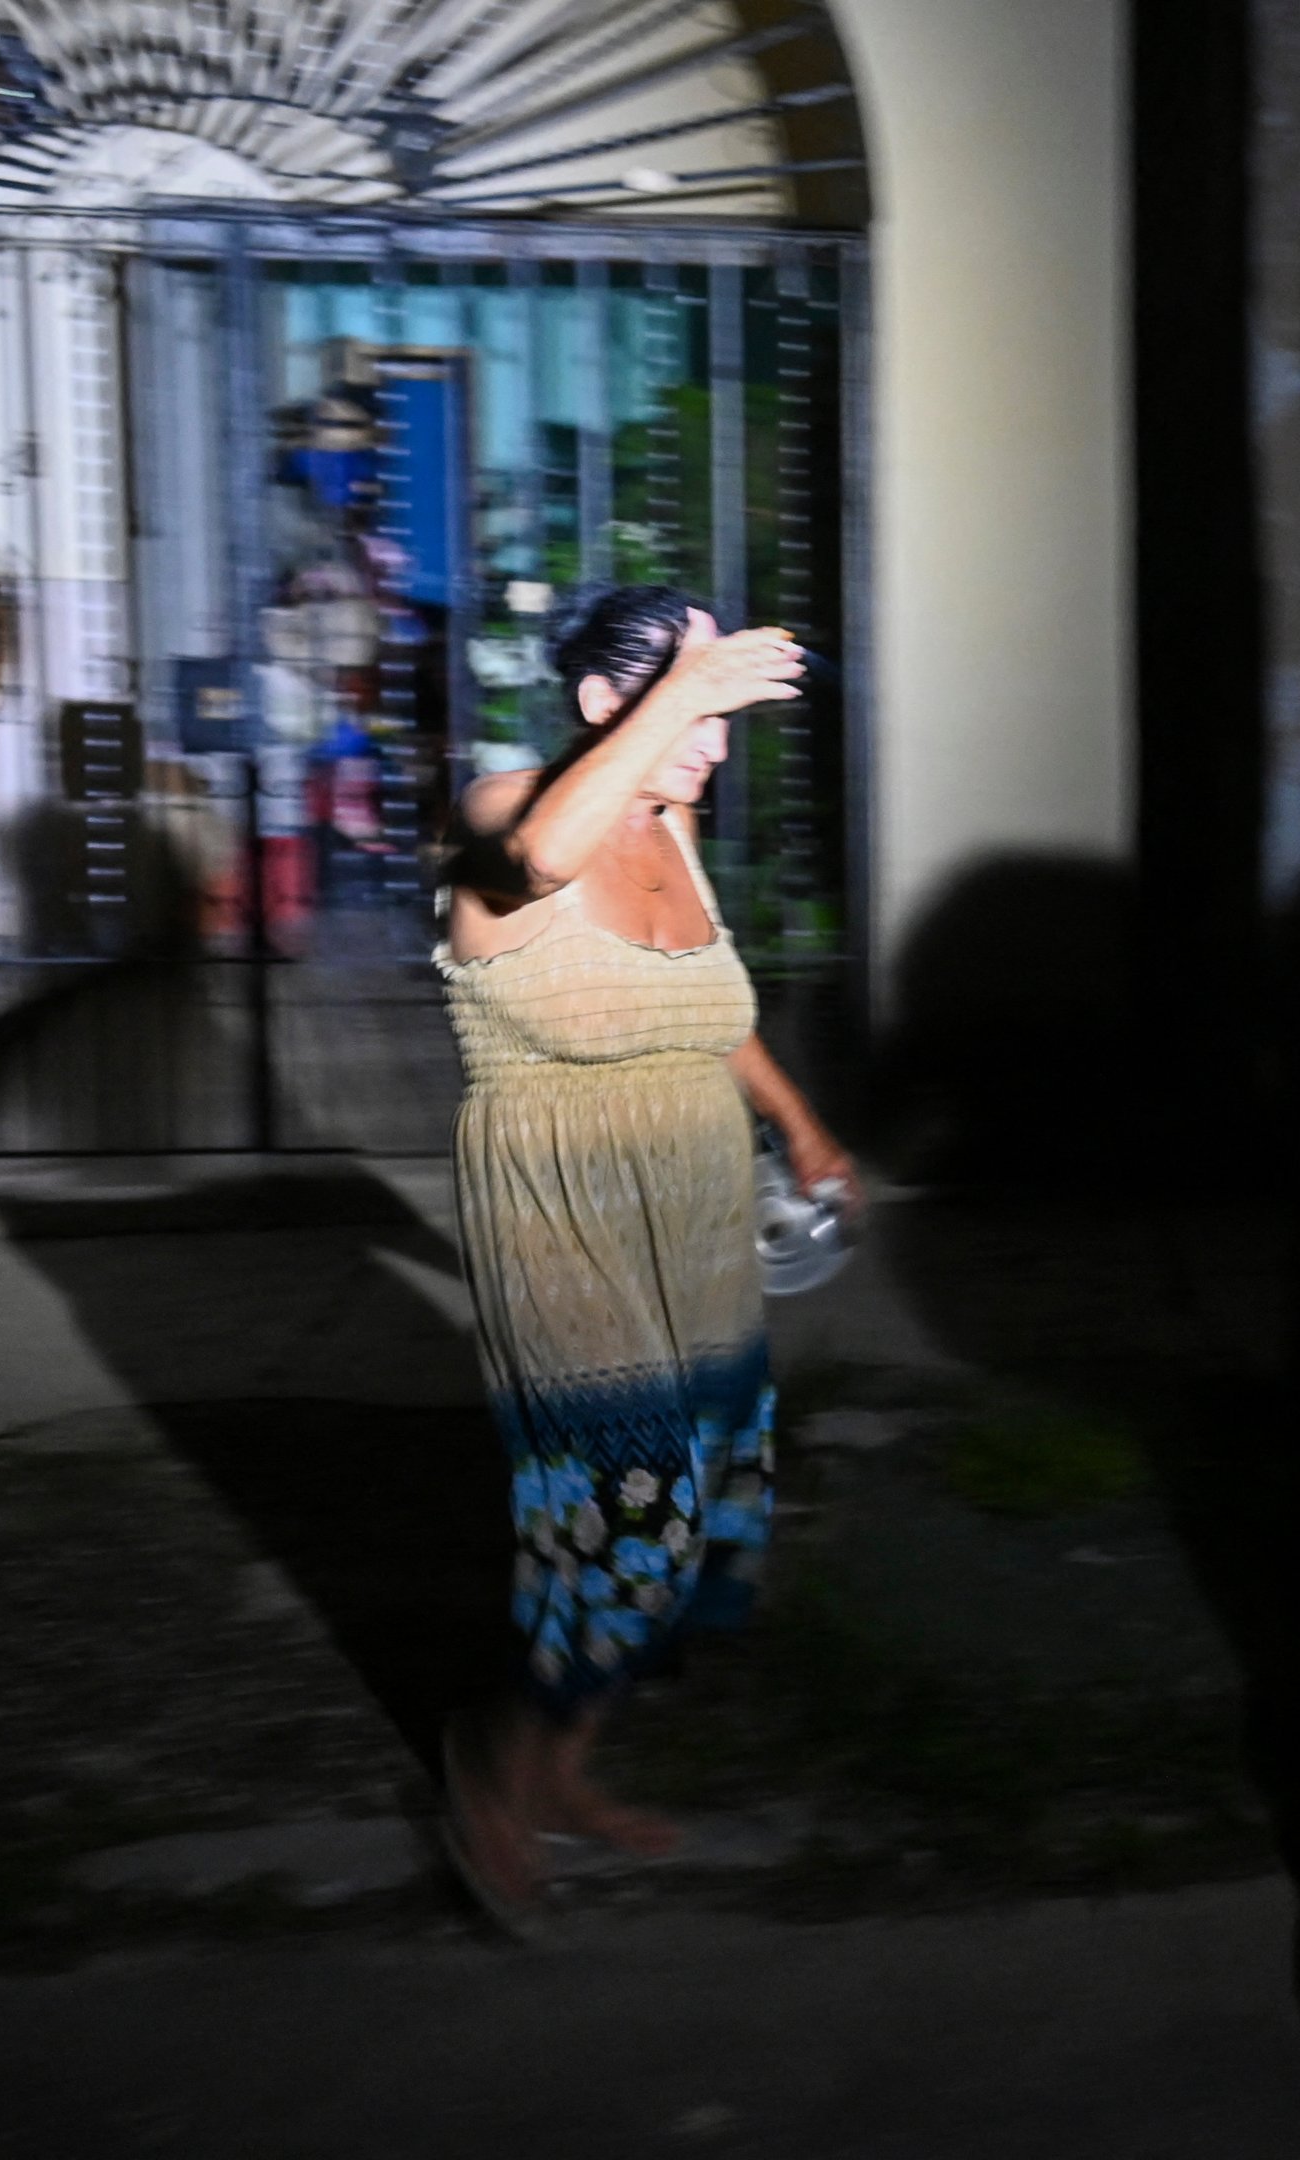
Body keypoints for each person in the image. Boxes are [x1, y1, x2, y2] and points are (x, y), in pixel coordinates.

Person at [432, 584, 857, 1924]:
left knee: (690, 1511)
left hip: (695, 1211)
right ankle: (491, 1772)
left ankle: (564, 1769)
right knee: (628, 1515)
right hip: (563, 1215)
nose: (715, 739)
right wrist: (691, 683)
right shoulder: (502, 805)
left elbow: (700, 1004)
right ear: (599, 701)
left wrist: (800, 1124)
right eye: (692, 703)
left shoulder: (673, 827)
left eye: (727, 712)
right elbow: (545, 861)